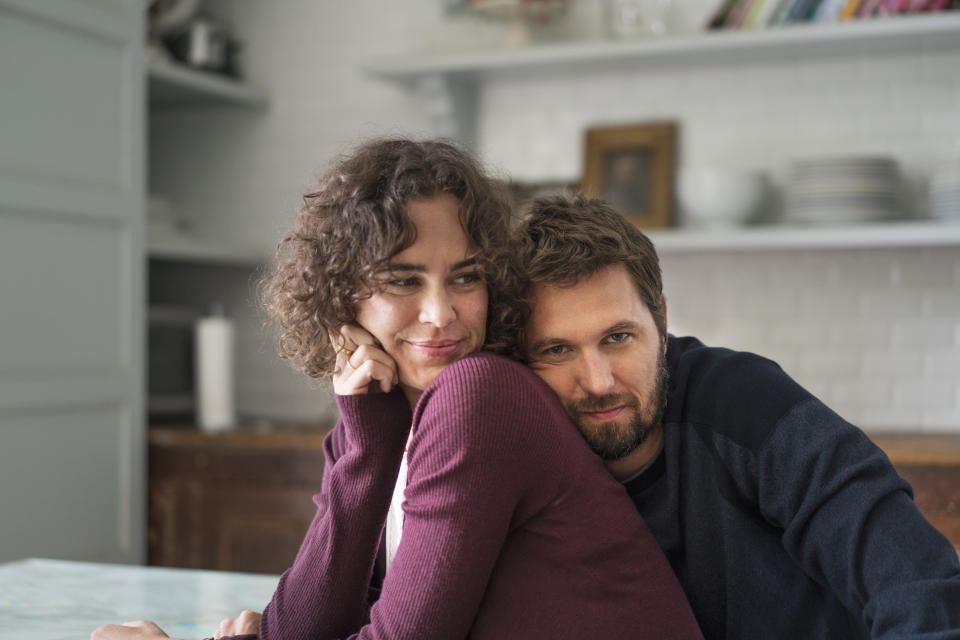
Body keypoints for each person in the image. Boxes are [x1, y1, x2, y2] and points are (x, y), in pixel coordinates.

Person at [92, 140, 702, 640]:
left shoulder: (483, 398)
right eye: (403, 280)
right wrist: (366, 444)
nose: (440, 313)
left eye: (466, 277)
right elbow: (298, 630)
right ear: (341, 295)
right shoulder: (385, 420)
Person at [512, 193, 960, 639]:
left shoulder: (744, 400)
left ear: (662, 324)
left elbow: (920, 587)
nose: (599, 382)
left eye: (618, 337)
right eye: (557, 350)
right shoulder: (518, 456)